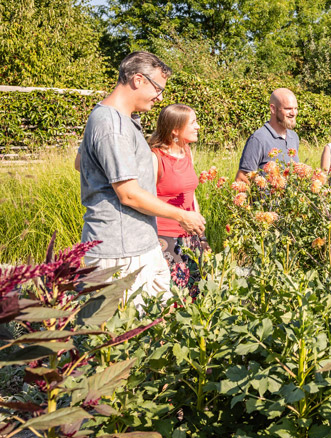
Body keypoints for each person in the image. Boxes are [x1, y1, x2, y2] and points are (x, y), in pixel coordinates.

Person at [77, 51, 206, 309]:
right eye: (158, 88)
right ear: (138, 80)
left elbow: (80, 162)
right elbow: (129, 194)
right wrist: (182, 216)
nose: (160, 97)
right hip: (121, 251)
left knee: (159, 320)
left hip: (140, 243)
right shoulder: (112, 125)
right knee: (130, 328)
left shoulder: (122, 120)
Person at [147, 104, 207, 292]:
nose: (198, 126)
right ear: (175, 130)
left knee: (196, 292)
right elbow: (146, 200)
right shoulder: (155, 158)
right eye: (193, 123)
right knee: (174, 295)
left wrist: (201, 235)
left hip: (190, 235)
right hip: (165, 238)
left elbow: (191, 195)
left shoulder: (187, 152)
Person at [236, 88, 299, 182]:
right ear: (273, 109)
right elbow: (242, 178)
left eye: (295, 108)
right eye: (288, 109)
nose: (293, 113)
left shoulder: (294, 137)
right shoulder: (258, 139)